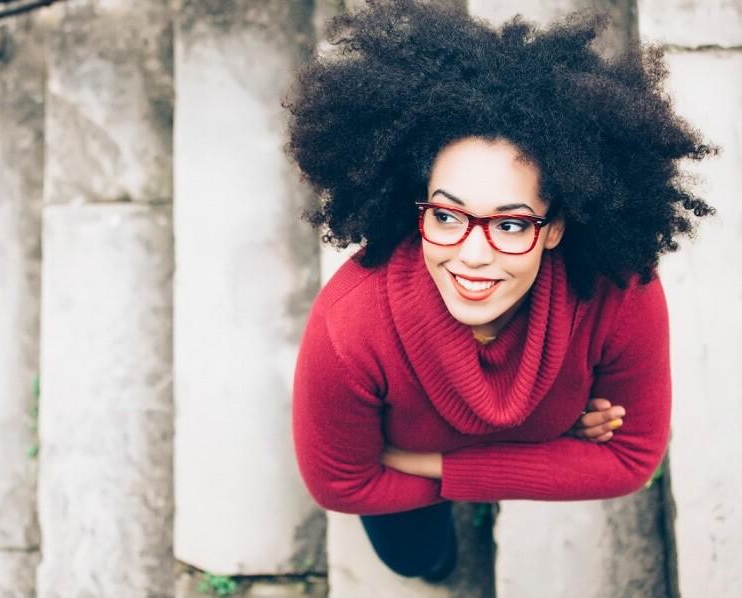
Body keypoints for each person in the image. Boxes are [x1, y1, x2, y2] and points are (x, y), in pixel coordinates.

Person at [285, 0, 714, 582]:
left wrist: (433, 464)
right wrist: (552, 445)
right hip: (399, 496)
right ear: (419, 208)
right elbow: (344, 483)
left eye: (510, 224)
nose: (472, 253)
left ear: (555, 225)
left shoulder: (619, 290)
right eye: (447, 215)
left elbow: (629, 461)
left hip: (406, 457)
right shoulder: (349, 330)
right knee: (414, 557)